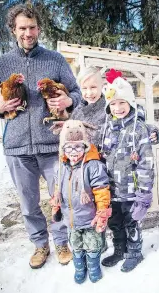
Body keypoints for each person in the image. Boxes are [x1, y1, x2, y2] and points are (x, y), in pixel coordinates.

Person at [0, 2, 82, 269]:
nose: (27, 33)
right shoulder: (0, 65)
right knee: (29, 204)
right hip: (17, 148)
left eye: (32, 27)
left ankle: (62, 241)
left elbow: (77, 95)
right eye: (22, 28)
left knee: (59, 198)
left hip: (52, 144)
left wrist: (67, 102)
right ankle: (40, 245)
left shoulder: (55, 60)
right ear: (13, 31)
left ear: (38, 28)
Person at [64, 67, 159, 253]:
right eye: (84, 88)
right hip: (99, 176)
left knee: (129, 220)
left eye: (93, 87)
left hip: (125, 180)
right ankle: (109, 248)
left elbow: (135, 120)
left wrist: (152, 131)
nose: (89, 93)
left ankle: (133, 251)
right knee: (110, 218)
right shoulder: (78, 112)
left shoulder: (110, 103)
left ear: (102, 86)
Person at [98, 69, 154, 273]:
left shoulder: (139, 130)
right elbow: (102, 157)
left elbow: (146, 163)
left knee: (132, 223)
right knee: (115, 223)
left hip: (132, 190)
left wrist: (144, 194)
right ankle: (119, 250)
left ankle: (134, 252)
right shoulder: (107, 128)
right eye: (113, 103)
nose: (118, 107)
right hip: (112, 191)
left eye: (122, 102)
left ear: (130, 103)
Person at [51, 120, 111, 284]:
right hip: (71, 220)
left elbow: (101, 190)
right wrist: (56, 205)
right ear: (63, 149)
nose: (73, 151)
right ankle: (79, 268)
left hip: (90, 218)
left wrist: (102, 212)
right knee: (76, 245)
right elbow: (58, 188)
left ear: (85, 147)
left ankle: (93, 267)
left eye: (78, 146)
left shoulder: (93, 166)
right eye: (69, 147)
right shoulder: (61, 167)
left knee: (93, 244)